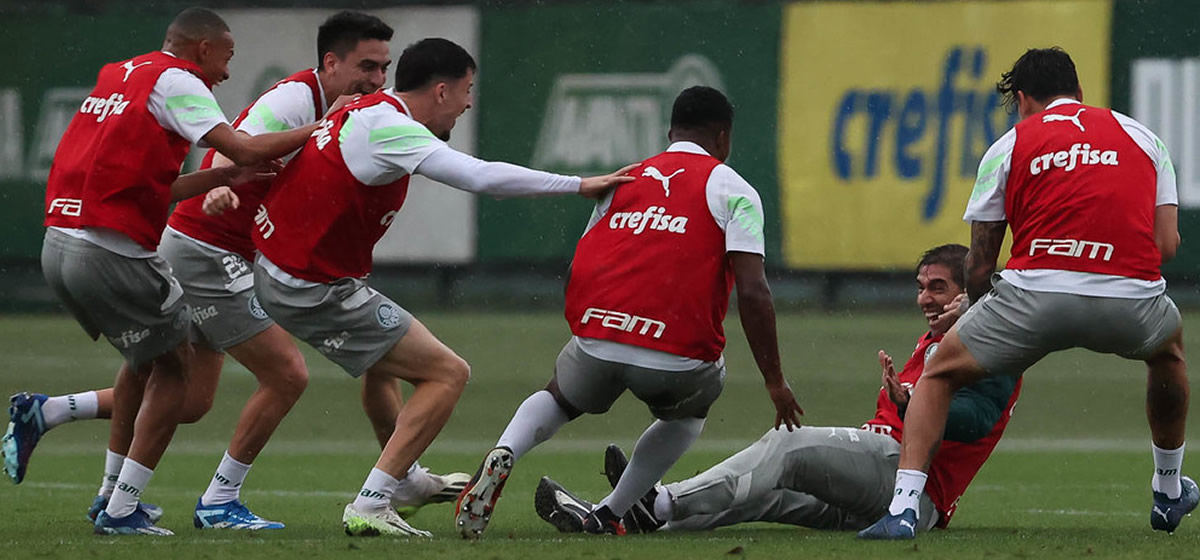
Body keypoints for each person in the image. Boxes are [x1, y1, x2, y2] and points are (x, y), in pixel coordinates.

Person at [3, 10, 466, 531]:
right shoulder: (295, 100)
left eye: (384, 68)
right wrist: (219, 182)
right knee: (285, 374)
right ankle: (217, 500)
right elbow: (234, 144)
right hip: (207, 247)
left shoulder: (365, 111)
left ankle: (55, 418)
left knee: (190, 394)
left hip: (234, 253)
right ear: (330, 63)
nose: (377, 79)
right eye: (367, 66)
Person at [248, 37, 636, 538]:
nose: (470, 101)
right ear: (440, 91)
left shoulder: (368, 110)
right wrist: (578, 184)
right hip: (309, 285)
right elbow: (480, 176)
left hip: (279, 267)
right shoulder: (392, 127)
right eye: (467, 90)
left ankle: (403, 481)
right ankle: (372, 500)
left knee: (383, 371)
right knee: (447, 373)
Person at [858, 47, 1193, 540]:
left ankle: (904, 510)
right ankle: (1167, 490)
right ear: (1079, 93)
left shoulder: (1009, 145)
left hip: (1033, 296)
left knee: (938, 375)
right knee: (1169, 356)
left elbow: (980, 261)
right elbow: (1166, 245)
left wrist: (975, 311)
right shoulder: (1144, 138)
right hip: (1130, 298)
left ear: (1021, 100)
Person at [27, 7, 327, 536]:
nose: (227, 74)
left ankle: (103, 488)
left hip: (60, 243)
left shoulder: (121, 74)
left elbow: (156, 191)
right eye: (227, 58)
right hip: (112, 252)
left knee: (160, 371)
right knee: (176, 373)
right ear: (204, 49)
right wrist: (328, 125)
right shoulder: (179, 82)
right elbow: (244, 144)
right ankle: (124, 509)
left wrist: (233, 174)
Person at [456, 85, 803, 540]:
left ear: (670, 131)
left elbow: (582, 264)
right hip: (675, 358)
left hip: (598, 339)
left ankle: (506, 450)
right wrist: (774, 380)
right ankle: (610, 511)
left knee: (560, 397)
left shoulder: (625, 178)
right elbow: (754, 292)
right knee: (690, 413)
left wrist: (591, 326)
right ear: (723, 137)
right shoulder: (735, 191)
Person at [536, 244, 1021, 535]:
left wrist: (913, 401)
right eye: (921, 286)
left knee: (786, 445)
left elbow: (976, 420)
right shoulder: (940, 340)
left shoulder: (993, 348)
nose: (924, 299)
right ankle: (634, 519)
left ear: (967, 294)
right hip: (883, 483)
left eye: (937, 287)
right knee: (764, 491)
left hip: (913, 491)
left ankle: (649, 501)